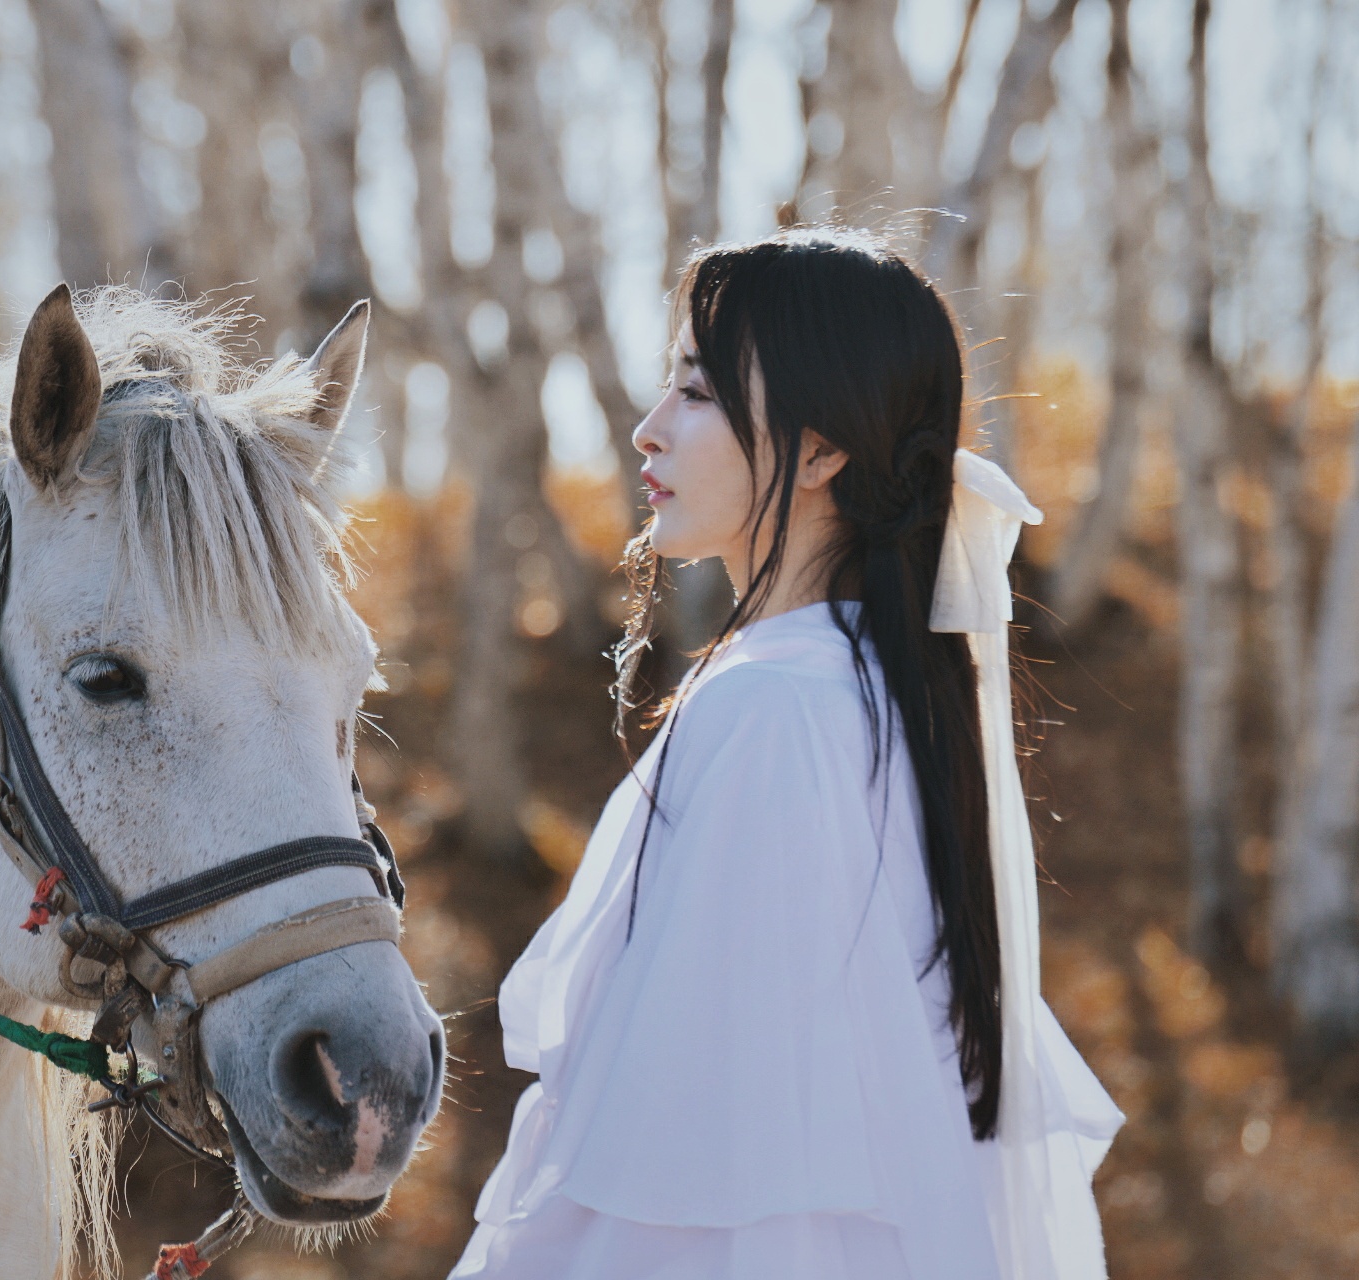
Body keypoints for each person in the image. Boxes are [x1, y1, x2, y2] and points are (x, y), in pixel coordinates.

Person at [450, 230, 1123, 1280]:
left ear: (819, 451)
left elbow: (686, 1159)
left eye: (698, 393)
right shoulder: (868, 693)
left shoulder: (771, 709)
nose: (646, 431)